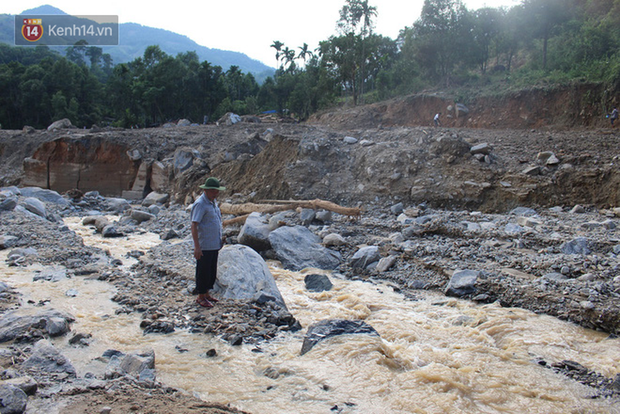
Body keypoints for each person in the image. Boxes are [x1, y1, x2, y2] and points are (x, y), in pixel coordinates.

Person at [191, 177, 226, 308]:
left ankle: (206, 294)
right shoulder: (200, 204)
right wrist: (197, 247)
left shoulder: (213, 202)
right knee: (203, 270)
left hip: (214, 244)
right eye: (213, 191)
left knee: (211, 270)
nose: (216, 193)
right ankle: (200, 296)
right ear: (206, 190)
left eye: (217, 191)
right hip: (204, 244)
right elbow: (194, 225)